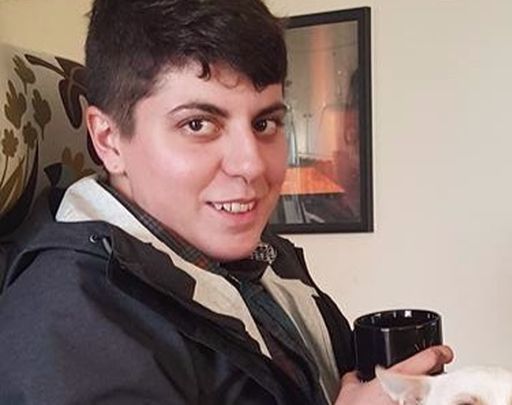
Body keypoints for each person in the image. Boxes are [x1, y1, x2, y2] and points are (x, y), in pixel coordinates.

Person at [0, 0, 453, 404]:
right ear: (108, 139)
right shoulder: (70, 328)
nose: (251, 165)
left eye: (264, 123)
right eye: (198, 124)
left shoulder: (260, 258)